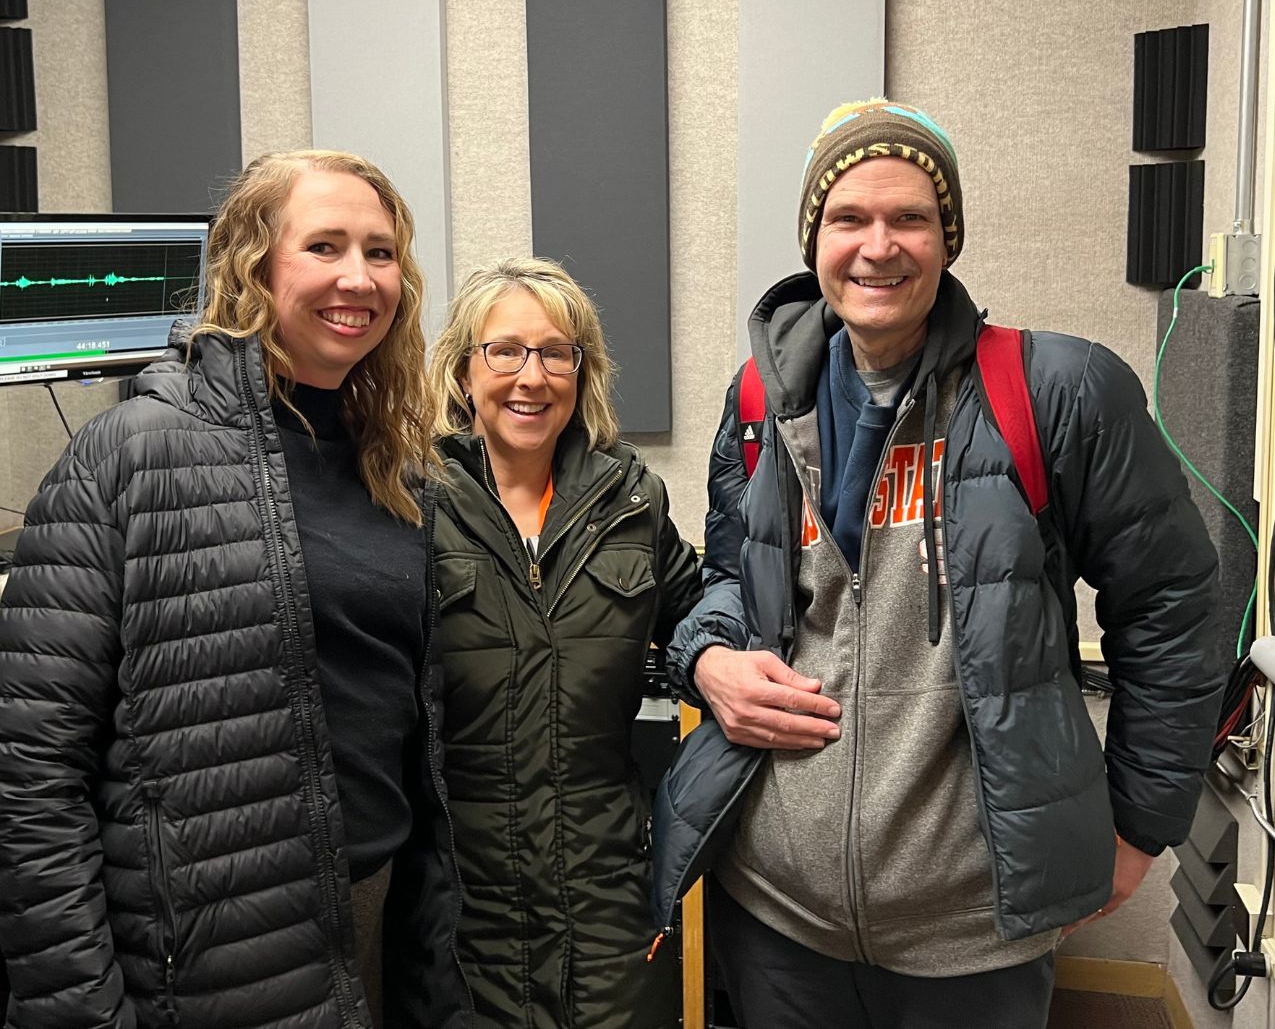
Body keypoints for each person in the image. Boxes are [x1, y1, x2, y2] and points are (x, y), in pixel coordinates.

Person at [656, 100, 1223, 1028]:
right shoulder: (759, 396)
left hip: (971, 930)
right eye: (848, 218)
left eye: (909, 217)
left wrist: (1138, 826)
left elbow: (1173, 610)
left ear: (946, 237)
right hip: (774, 912)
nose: (878, 246)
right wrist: (707, 659)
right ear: (813, 239)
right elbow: (725, 577)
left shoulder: (1058, 391)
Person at [0, 150, 469, 1029]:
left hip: (375, 919)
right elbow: (29, 775)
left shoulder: (399, 473)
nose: (358, 277)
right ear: (252, 265)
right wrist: (79, 1009)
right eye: (324, 246)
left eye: (380, 252)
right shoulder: (130, 454)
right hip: (209, 962)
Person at [427, 257, 702, 1029]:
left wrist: (719, 655)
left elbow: (698, 613)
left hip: (605, 888)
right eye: (505, 350)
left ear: (582, 372)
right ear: (462, 367)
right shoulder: (409, 501)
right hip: (460, 897)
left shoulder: (630, 500)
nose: (531, 375)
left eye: (556, 352)